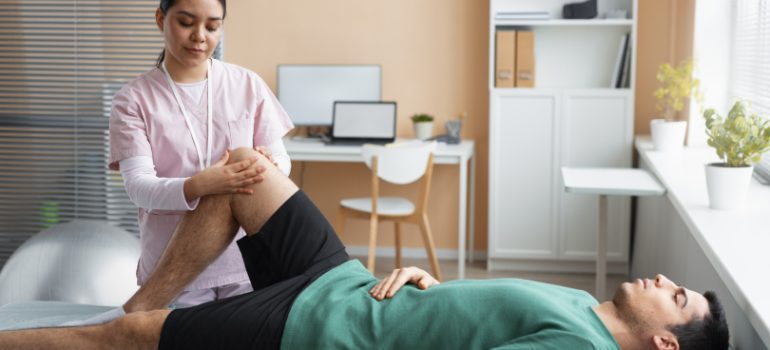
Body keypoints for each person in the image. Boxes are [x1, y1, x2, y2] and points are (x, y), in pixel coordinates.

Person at [0, 148, 730, 350]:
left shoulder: (579, 348)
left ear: (667, 342)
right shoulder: (584, 304)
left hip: (323, 327)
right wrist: (428, 282)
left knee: (127, 340)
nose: (664, 278)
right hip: (347, 282)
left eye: (678, 295)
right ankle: (134, 306)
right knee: (243, 173)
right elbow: (472, 318)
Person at [108, 0, 294, 309]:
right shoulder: (133, 100)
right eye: (186, 22)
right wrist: (198, 185)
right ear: (160, 19)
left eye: (212, 26)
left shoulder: (246, 85)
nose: (200, 36)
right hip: (175, 271)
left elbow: (282, 162)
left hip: (245, 263)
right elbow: (138, 188)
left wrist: (269, 168)